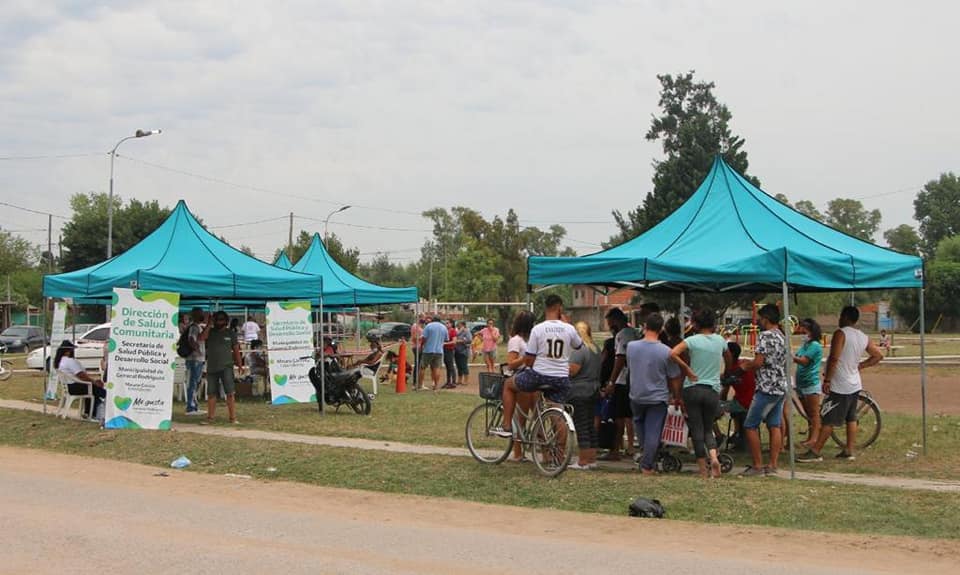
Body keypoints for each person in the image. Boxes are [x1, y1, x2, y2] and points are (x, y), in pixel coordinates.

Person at [799, 306, 883, 462]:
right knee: (851, 418)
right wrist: (860, 366)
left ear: (845, 317)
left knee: (828, 418)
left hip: (840, 384)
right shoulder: (863, 336)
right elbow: (878, 355)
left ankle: (816, 451)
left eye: (840, 316)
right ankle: (849, 449)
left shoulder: (841, 334)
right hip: (854, 383)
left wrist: (827, 380)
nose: (838, 319)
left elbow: (834, 358)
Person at [493, 295, 583, 438]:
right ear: (559, 308)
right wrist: (567, 326)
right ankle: (559, 456)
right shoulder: (569, 328)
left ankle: (507, 425)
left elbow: (529, 360)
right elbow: (579, 345)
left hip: (540, 376)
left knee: (508, 385)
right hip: (561, 378)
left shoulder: (538, 329)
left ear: (546, 308)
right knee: (557, 415)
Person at [670, 309, 730, 479]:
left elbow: (672, 353)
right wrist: (724, 372)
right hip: (712, 390)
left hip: (692, 388)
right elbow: (729, 357)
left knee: (696, 429)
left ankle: (703, 470)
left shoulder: (691, 340)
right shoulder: (720, 340)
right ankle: (714, 457)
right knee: (708, 428)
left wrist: (687, 368)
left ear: (696, 324)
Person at [627, 313, 682, 475]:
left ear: (644, 326)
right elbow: (674, 377)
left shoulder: (631, 347)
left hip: (636, 394)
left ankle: (647, 458)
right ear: (661, 329)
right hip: (657, 397)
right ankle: (647, 465)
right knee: (653, 431)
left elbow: (630, 368)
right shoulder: (666, 351)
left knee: (640, 427)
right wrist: (676, 395)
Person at [737, 304, 788, 477]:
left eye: (760, 318)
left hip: (766, 387)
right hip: (780, 386)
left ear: (766, 318)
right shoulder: (782, 336)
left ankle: (757, 465)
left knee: (750, 425)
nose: (759, 321)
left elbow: (759, 362)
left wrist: (745, 366)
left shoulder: (764, 336)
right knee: (774, 425)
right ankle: (773, 464)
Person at [600, 307, 638, 461]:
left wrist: (612, 381)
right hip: (634, 379)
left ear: (615, 320)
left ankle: (615, 450)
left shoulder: (622, 336)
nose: (609, 327)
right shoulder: (635, 333)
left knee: (618, 417)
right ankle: (625, 447)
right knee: (628, 415)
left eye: (609, 323)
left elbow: (620, 359)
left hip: (622, 381)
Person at [199, 311, 244, 424]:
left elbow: (236, 350)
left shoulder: (231, 333)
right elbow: (201, 338)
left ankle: (233, 418)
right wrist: (209, 324)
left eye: (221, 319)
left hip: (227, 367)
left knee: (230, 393)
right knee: (211, 394)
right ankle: (210, 418)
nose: (219, 322)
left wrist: (239, 365)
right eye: (217, 319)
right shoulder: (210, 332)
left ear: (226, 321)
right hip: (212, 368)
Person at [568, 321, 601, 470]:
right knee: (589, 425)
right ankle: (592, 458)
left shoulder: (579, 350)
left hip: (579, 391)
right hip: (594, 390)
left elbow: (573, 370)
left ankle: (583, 461)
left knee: (581, 425)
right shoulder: (595, 349)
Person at [503, 310, 535, 462]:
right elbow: (510, 363)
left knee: (536, 416)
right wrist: (525, 359)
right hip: (521, 376)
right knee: (521, 418)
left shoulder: (530, 339)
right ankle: (517, 452)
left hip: (532, 376)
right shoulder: (516, 340)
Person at [55, 340, 105, 420]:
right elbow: (81, 375)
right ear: (67, 352)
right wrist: (94, 382)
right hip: (75, 387)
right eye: (72, 350)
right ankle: (96, 411)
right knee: (97, 390)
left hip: (70, 387)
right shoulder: (69, 361)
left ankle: (89, 412)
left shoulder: (60, 361)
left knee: (94, 389)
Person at [793, 318, 824, 448]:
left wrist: (790, 356)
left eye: (804, 331)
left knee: (814, 413)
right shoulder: (805, 345)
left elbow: (804, 361)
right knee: (808, 413)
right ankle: (810, 437)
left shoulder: (815, 346)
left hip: (811, 383)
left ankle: (814, 438)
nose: (802, 333)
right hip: (801, 383)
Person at [184, 307, 206, 415]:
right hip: (195, 359)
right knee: (192, 382)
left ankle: (194, 405)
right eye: (201, 313)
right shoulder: (194, 327)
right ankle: (190, 407)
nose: (203, 315)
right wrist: (198, 351)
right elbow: (191, 339)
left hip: (198, 359)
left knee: (196, 382)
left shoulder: (197, 326)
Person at [420, 316, 449, 391]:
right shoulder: (444, 327)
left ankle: (421, 384)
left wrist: (422, 345)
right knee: (437, 368)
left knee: (423, 367)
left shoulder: (428, 326)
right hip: (439, 350)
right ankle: (435, 386)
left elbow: (424, 337)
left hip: (428, 350)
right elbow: (446, 339)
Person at [454, 321, 471, 386]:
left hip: (464, 351)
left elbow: (469, 340)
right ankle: (459, 380)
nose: (458, 326)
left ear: (463, 325)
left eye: (459, 325)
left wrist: (460, 341)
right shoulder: (457, 332)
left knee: (464, 366)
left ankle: (466, 380)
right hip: (457, 351)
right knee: (459, 366)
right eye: (457, 325)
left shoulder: (466, 331)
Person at [442, 319, 457, 389]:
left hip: (450, 350)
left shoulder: (453, 331)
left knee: (451, 366)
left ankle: (453, 382)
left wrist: (445, 343)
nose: (446, 324)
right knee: (447, 366)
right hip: (445, 349)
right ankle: (448, 381)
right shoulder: (445, 331)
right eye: (446, 323)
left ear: (451, 324)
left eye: (448, 323)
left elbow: (454, 341)